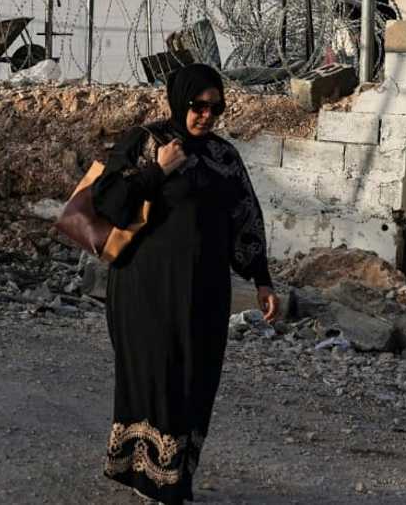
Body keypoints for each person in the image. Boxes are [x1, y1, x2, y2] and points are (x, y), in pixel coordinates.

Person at [92, 64, 277, 504]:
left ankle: (173, 475)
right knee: (157, 376)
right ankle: (152, 479)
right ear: (180, 101)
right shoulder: (147, 141)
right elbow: (108, 202)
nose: (206, 115)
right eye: (198, 106)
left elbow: (245, 219)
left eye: (215, 108)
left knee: (196, 378)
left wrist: (262, 279)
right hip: (145, 289)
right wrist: (156, 172)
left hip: (205, 292)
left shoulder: (224, 157)